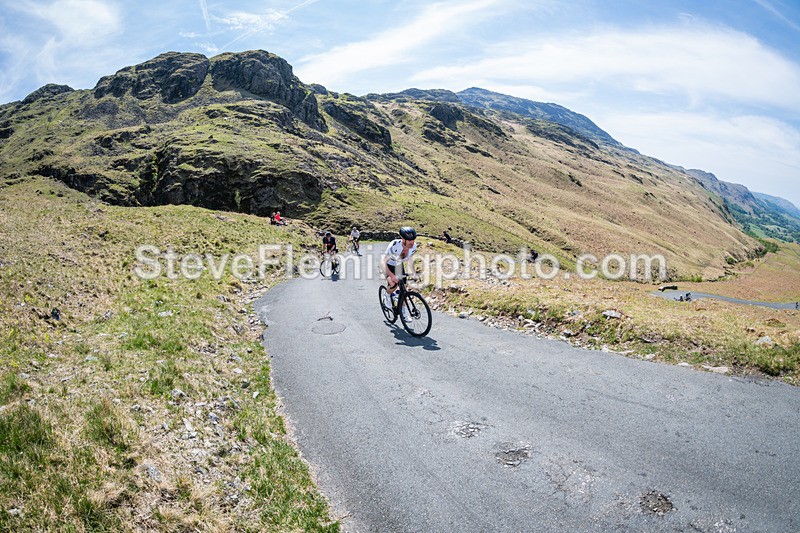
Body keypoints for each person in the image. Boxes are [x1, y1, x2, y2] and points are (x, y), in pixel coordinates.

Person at [382, 227, 418, 313]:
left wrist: (413, 272)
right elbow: (383, 261)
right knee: (393, 284)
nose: (412, 243)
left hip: (398, 265)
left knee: (403, 290)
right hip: (388, 265)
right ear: (403, 239)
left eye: (413, 240)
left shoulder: (414, 247)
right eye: (409, 240)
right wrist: (391, 275)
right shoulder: (394, 245)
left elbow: (409, 259)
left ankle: (403, 312)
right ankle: (387, 296)